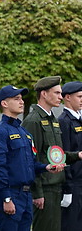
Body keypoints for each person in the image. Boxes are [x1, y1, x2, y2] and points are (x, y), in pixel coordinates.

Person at [0, 85, 63, 231]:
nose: (22, 102)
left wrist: (46, 167)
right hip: (11, 195)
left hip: (25, 195)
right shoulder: (0, 131)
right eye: (16, 99)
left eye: (22, 99)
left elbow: (30, 164)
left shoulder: (24, 132)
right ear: (4, 103)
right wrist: (6, 198)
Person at [22, 76, 82, 231]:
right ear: (44, 94)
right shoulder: (33, 120)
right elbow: (30, 159)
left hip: (56, 186)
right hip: (45, 189)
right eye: (56, 93)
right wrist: (37, 193)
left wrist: (77, 155)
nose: (61, 97)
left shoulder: (52, 119)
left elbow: (57, 154)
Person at [58, 81, 82, 231]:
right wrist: (67, 189)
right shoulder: (64, 121)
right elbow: (64, 155)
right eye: (79, 96)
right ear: (67, 97)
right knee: (72, 225)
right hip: (74, 185)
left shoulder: (79, 119)